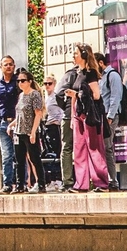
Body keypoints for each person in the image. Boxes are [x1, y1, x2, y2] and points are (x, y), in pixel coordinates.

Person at [70, 44, 109, 192]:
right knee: (79, 149)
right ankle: (81, 183)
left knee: (94, 148)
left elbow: (96, 95)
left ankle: (102, 182)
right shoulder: (78, 73)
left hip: (90, 114)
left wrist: (77, 95)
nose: (74, 56)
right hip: (78, 114)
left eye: (76, 53)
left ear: (84, 55)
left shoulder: (91, 73)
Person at [10, 68, 46, 193]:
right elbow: (20, 114)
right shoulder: (21, 95)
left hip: (29, 131)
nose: (20, 83)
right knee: (19, 160)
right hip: (19, 131)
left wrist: (33, 132)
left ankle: (41, 183)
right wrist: (12, 125)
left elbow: (38, 113)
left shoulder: (34, 94)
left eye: (23, 80)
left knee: (35, 158)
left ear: (29, 81)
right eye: (18, 81)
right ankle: (20, 185)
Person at [95, 52, 124, 192]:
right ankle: (104, 179)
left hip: (109, 117)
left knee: (107, 147)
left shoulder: (112, 75)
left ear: (101, 63)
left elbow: (116, 96)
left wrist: (110, 116)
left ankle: (112, 181)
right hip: (101, 117)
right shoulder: (99, 78)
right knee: (102, 148)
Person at [0, 55, 19, 192]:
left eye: (10, 64)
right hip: (2, 123)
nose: (8, 67)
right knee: (6, 155)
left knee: (19, 154)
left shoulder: (19, 82)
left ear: (14, 66)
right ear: (1, 67)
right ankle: (7, 184)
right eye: (5, 64)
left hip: (17, 122)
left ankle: (21, 183)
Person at [53, 59, 79, 191]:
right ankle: (73, 180)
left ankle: (69, 180)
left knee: (67, 147)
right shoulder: (73, 74)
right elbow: (58, 93)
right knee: (71, 147)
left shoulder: (70, 74)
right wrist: (68, 107)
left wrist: (66, 107)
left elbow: (58, 93)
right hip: (73, 115)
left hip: (70, 114)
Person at [40, 75, 65, 191]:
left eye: (49, 83)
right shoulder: (45, 98)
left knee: (56, 152)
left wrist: (58, 122)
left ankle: (59, 179)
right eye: (45, 83)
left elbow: (62, 111)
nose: (47, 86)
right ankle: (51, 179)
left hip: (54, 127)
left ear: (54, 84)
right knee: (47, 153)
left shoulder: (56, 97)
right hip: (46, 127)